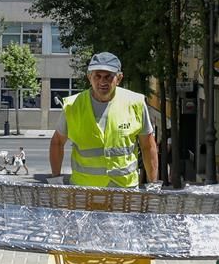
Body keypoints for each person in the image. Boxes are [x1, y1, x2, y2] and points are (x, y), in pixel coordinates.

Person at [49, 52, 158, 187]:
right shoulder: (73, 106)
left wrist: (153, 183)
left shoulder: (135, 103)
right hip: (84, 190)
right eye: (97, 76)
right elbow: (57, 142)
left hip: (125, 191)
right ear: (89, 77)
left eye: (108, 77)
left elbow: (148, 146)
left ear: (119, 78)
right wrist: (55, 179)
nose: (102, 82)